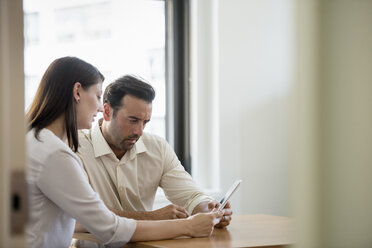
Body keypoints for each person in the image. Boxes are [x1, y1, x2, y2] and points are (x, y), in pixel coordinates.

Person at [26, 56, 222, 248]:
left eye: (145, 122)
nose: (98, 107)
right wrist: (186, 226)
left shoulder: (36, 141)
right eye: (96, 95)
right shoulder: (58, 153)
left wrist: (207, 209)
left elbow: (92, 219)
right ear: (77, 92)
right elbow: (108, 227)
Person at [77, 75, 233, 225]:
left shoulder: (157, 148)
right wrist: (151, 217)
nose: (139, 131)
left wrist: (210, 211)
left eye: (145, 122)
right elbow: (87, 213)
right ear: (107, 112)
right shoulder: (76, 147)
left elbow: (191, 197)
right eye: (133, 120)